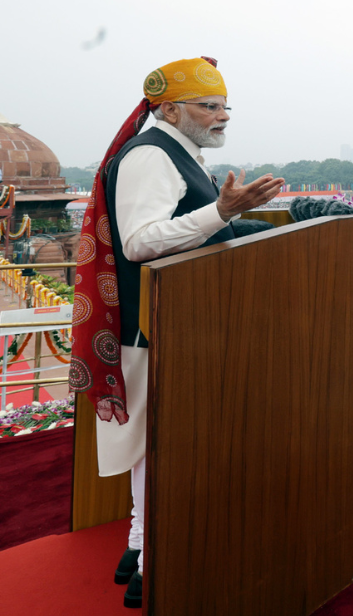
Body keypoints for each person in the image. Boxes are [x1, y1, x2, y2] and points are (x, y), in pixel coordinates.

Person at [69, 58, 284, 609]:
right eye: (208, 106)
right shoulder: (149, 155)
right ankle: (155, 553)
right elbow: (141, 242)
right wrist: (220, 210)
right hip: (158, 323)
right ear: (167, 108)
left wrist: (252, 215)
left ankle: (140, 547)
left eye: (224, 106)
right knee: (158, 445)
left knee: (153, 444)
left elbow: (199, 228)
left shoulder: (176, 152)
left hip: (177, 320)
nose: (222, 117)